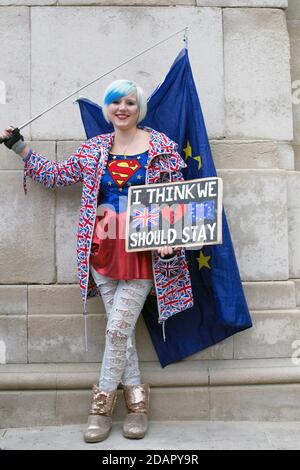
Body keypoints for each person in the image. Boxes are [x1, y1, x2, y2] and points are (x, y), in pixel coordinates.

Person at [0, 79, 193, 443]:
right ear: (106, 109)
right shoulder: (94, 150)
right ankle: (137, 404)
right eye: (115, 102)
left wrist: (171, 238)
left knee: (117, 330)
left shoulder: (162, 147)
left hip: (142, 254)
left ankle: (100, 408)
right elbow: (57, 176)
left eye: (130, 102)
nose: (122, 108)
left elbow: (176, 200)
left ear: (140, 109)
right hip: (100, 254)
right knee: (123, 337)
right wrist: (20, 147)